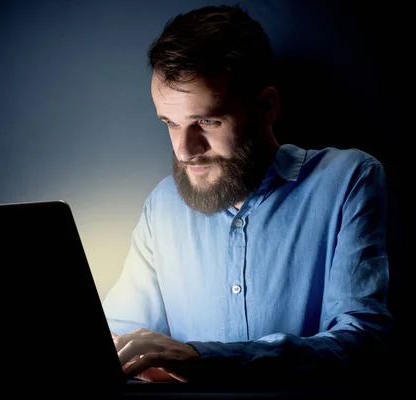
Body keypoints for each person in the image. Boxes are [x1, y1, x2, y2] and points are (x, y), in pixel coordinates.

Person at [102, 4, 396, 387]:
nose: (184, 150)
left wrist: (202, 360)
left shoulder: (349, 180)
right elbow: (118, 339)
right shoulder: (162, 206)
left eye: (206, 121)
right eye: (170, 123)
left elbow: (362, 342)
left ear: (266, 107)